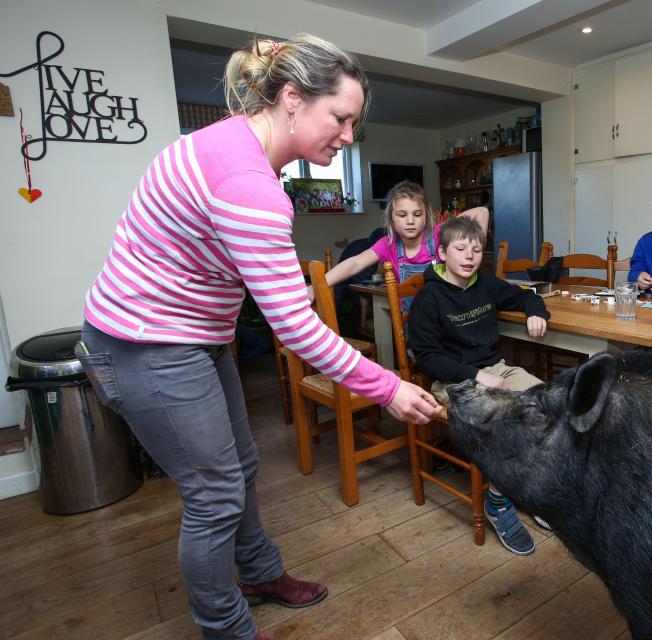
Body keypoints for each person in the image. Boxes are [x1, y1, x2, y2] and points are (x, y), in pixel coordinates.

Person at [75, 35, 438, 640]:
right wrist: (388, 388)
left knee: (239, 466)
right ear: (292, 99)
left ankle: (260, 573)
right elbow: (295, 325)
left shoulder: (235, 143)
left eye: (355, 122)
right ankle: (226, 629)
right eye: (340, 118)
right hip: (145, 344)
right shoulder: (249, 183)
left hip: (191, 336)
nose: (349, 136)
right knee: (214, 494)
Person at [407, 216, 549, 555]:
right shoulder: (430, 298)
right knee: (504, 419)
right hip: (453, 380)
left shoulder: (485, 284)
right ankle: (499, 502)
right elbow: (426, 357)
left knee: (549, 404)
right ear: (441, 253)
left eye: (475, 249)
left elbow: (524, 296)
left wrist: (536, 311)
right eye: (460, 249)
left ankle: (531, 488)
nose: (469, 256)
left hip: (495, 368)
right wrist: (474, 375)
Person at [324, 180, 489, 289]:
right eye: (402, 215)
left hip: (445, 314)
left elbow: (481, 212)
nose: (410, 221)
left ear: (426, 216)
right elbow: (354, 263)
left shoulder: (440, 233)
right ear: (392, 219)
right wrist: (318, 286)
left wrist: (472, 249)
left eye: (417, 215)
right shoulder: (387, 245)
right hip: (411, 322)